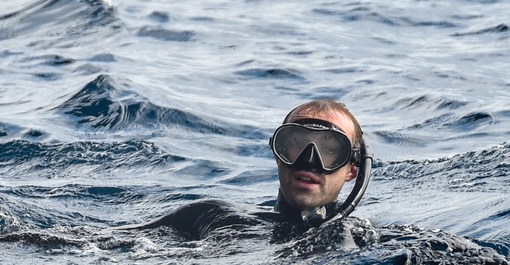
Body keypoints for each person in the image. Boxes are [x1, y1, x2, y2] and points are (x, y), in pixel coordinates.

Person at [135, 99, 371, 240]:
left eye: (330, 150)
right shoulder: (210, 216)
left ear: (352, 170)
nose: (309, 161)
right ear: (277, 154)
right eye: (295, 144)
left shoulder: (365, 239)